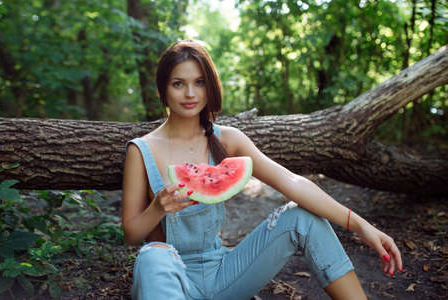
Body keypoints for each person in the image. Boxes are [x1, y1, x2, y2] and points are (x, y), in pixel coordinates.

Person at [122, 40, 403, 300]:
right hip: (169, 278)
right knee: (151, 256)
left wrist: (361, 226)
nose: (190, 93)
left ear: (211, 86)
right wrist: (158, 208)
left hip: (222, 274)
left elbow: (291, 181)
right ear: (162, 89)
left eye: (199, 82)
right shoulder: (141, 150)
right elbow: (132, 234)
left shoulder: (227, 139)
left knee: (302, 217)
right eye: (178, 84)